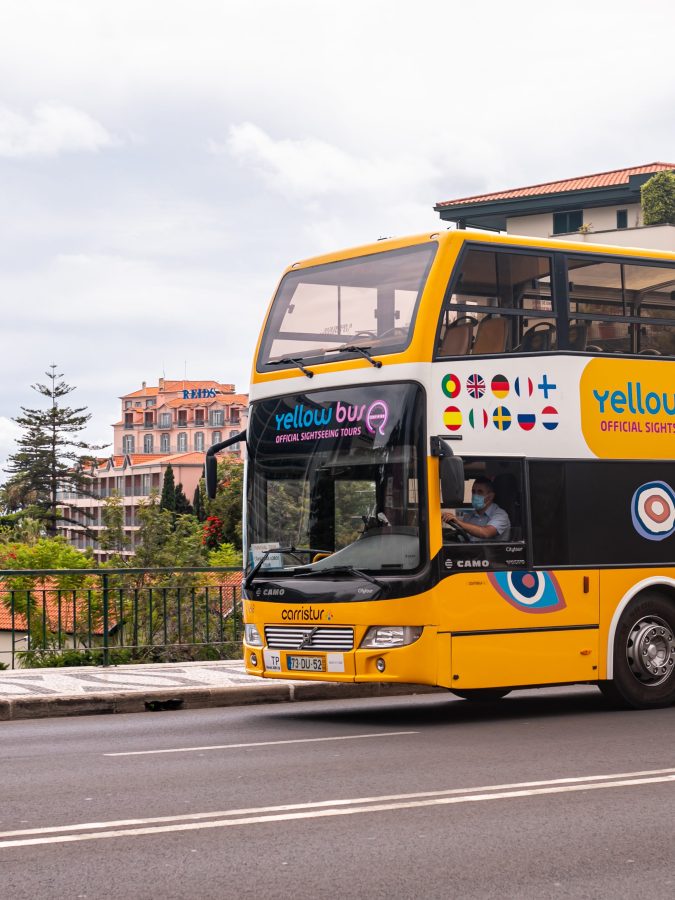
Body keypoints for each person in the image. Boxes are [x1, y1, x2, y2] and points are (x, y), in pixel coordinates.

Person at [442, 475, 510, 541]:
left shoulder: (501, 515)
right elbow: (463, 537)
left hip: (491, 552)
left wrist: (458, 522)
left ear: (490, 496)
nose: (475, 495)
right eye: (473, 491)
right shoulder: (469, 516)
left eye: (480, 492)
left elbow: (486, 533)